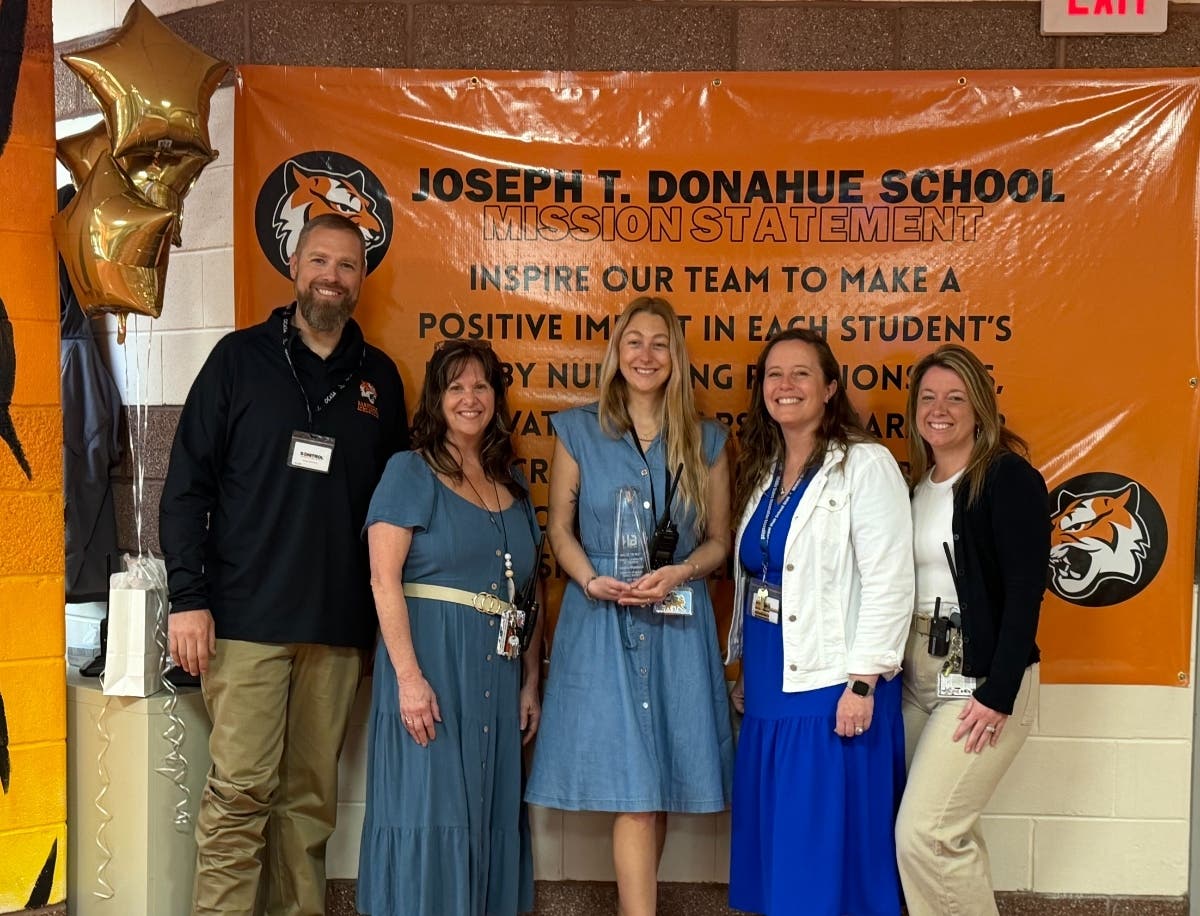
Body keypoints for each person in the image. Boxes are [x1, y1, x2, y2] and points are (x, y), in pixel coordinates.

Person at [160, 212, 409, 916]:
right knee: (239, 798)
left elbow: (392, 515)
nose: (332, 276)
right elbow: (185, 489)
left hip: (335, 632)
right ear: (295, 268)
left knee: (307, 810)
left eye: (347, 266)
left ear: (362, 280)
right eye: (320, 261)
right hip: (244, 623)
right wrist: (187, 598)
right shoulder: (237, 361)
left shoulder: (381, 382)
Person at [526, 296, 733, 916]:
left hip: (677, 620)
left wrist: (684, 570)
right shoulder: (577, 431)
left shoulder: (709, 440)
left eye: (660, 343)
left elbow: (721, 540)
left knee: (658, 786)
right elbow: (558, 530)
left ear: (676, 357)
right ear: (616, 352)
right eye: (634, 341)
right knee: (638, 796)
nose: (646, 355)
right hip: (601, 619)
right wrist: (589, 579)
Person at [726, 328, 913, 916]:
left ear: (830, 387)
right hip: (770, 687)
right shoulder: (765, 472)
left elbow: (889, 579)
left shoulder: (864, 463)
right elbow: (758, 578)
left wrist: (863, 681)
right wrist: (741, 670)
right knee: (785, 853)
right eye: (773, 375)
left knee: (826, 860)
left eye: (801, 373)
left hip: (834, 691)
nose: (785, 386)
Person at [356, 338, 543, 916]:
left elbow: (528, 598)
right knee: (429, 812)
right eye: (455, 386)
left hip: (497, 679)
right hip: (431, 672)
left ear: (496, 399)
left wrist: (531, 683)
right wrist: (409, 680)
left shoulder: (512, 487)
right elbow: (383, 579)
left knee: (487, 813)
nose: (469, 398)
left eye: (481, 386)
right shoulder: (409, 470)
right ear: (436, 399)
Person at [895, 344, 1047, 916]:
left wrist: (998, 689)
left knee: (925, 835)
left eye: (956, 397)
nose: (940, 409)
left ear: (980, 409)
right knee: (946, 830)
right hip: (916, 675)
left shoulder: (1007, 478)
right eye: (929, 397)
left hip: (979, 672)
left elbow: (1027, 590)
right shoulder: (917, 486)